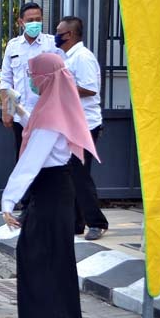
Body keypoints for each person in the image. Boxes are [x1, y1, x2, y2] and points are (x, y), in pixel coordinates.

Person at [2, 52, 96, 318]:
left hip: (52, 188)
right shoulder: (53, 105)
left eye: (33, 74)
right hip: (51, 188)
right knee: (30, 250)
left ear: (46, 78)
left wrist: (7, 200)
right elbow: (38, 128)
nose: (30, 79)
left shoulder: (51, 115)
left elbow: (31, 160)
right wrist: (19, 110)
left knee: (56, 259)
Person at [55, 16, 109, 240]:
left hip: (85, 124)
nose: (56, 35)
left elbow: (89, 89)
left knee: (80, 175)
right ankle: (77, 223)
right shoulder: (68, 57)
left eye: (60, 31)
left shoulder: (83, 58)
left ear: (71, 35)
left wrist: (61, 86)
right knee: (72, 174)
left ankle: (97, 222)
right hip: (71, 124)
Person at [0, 2, 57, 158]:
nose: (34, 23)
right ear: (21, 22)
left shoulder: (52, 44)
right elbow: (6, 80)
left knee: (47, 159)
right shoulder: (13, 46)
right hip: (21, 115)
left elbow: (64, 76)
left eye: (38, 19)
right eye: (30, 20)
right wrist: (7, 110)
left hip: (47, 114)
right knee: (23, 157)